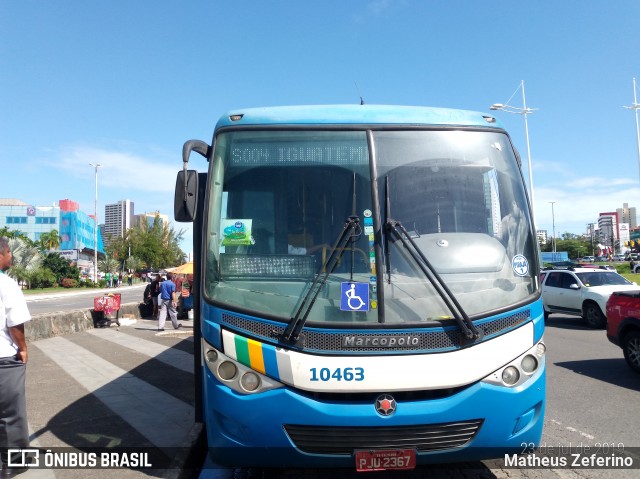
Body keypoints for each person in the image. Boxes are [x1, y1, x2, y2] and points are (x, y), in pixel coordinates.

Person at [0, 237, 31, 475]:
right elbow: (15, 325)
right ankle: (14, 461)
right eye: (9, 251)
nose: (11, 256)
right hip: (4, 360)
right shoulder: (7, 285)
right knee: (11, 413)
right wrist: (23, 348)